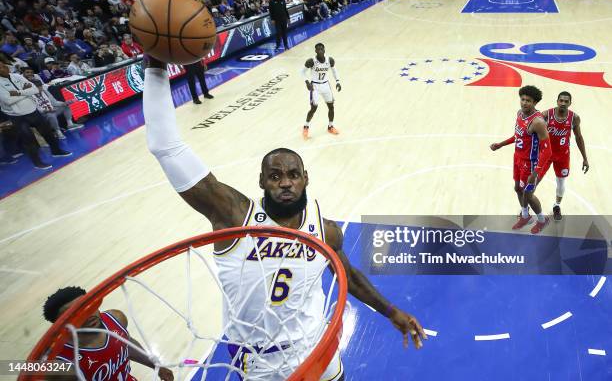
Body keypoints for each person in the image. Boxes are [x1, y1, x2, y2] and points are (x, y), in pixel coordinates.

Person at [142, 54, 426, 380]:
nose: (285, 182)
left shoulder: (325, 231)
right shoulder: (234, 216)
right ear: (261, 182)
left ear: (306, 178)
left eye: (293, 174)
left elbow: (349, 275)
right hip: (258, 363)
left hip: (315, 349)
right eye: (275, 176)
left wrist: (390, 311)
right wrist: (155, 66)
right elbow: (166, 146)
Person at [43, 286, 174, 381]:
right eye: (75, 314)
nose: (88, 315)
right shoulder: (57, 364)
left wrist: (156, 365)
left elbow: (127, 345)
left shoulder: (116, 318)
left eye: (88, 306)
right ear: (61, 325)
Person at [490, 85, 552, 235]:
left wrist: (536, 172)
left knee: (528, 195)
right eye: (522, 99)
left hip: (530, 164)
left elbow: (548, 150)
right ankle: (525, 216)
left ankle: (542, 220)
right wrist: (500, 144)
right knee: (517, 188)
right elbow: (518, 136)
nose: (524, 103)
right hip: (517, 158)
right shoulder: (519, 114)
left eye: (528, 101)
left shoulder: (538, 122)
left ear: (535, 103)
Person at [0, 62, 71, 169]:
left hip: (32, 110)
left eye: (4, 65)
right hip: (16, 115)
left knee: (47, 132)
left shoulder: (17, 76)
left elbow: (34, 89)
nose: (5, 67)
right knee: (29, 139)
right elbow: (8, 100)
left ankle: (56, 151)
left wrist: (18, 92)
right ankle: (37, 163)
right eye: (1, 67)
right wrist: (26, 91)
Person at [540, 91, 589, 221]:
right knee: (533, 180)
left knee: (561, 183)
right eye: (561, 100)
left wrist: (585, 158)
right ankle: (526, 206)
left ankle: (556, 206)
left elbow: (579, 137)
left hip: (563, 156)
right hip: (546, 154)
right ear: (557, 101)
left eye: (566, 101)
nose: (563, 103)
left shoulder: (574, 118)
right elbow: (534, 133)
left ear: (570, 103)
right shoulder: (546, 115)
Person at [301, 43, 341, 140]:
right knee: (314, 107)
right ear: (315, 51)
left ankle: (330, 126)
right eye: (318, 49)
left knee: (331, 106)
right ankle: (306, 126)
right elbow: (302, 72)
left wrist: (338, 81)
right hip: (315, 85)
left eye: (321, 49)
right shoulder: (311, 61)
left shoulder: (329, 60)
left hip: (325, 85)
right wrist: (307, 82)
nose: (320, 51)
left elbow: (334, 71)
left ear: (324, 50)